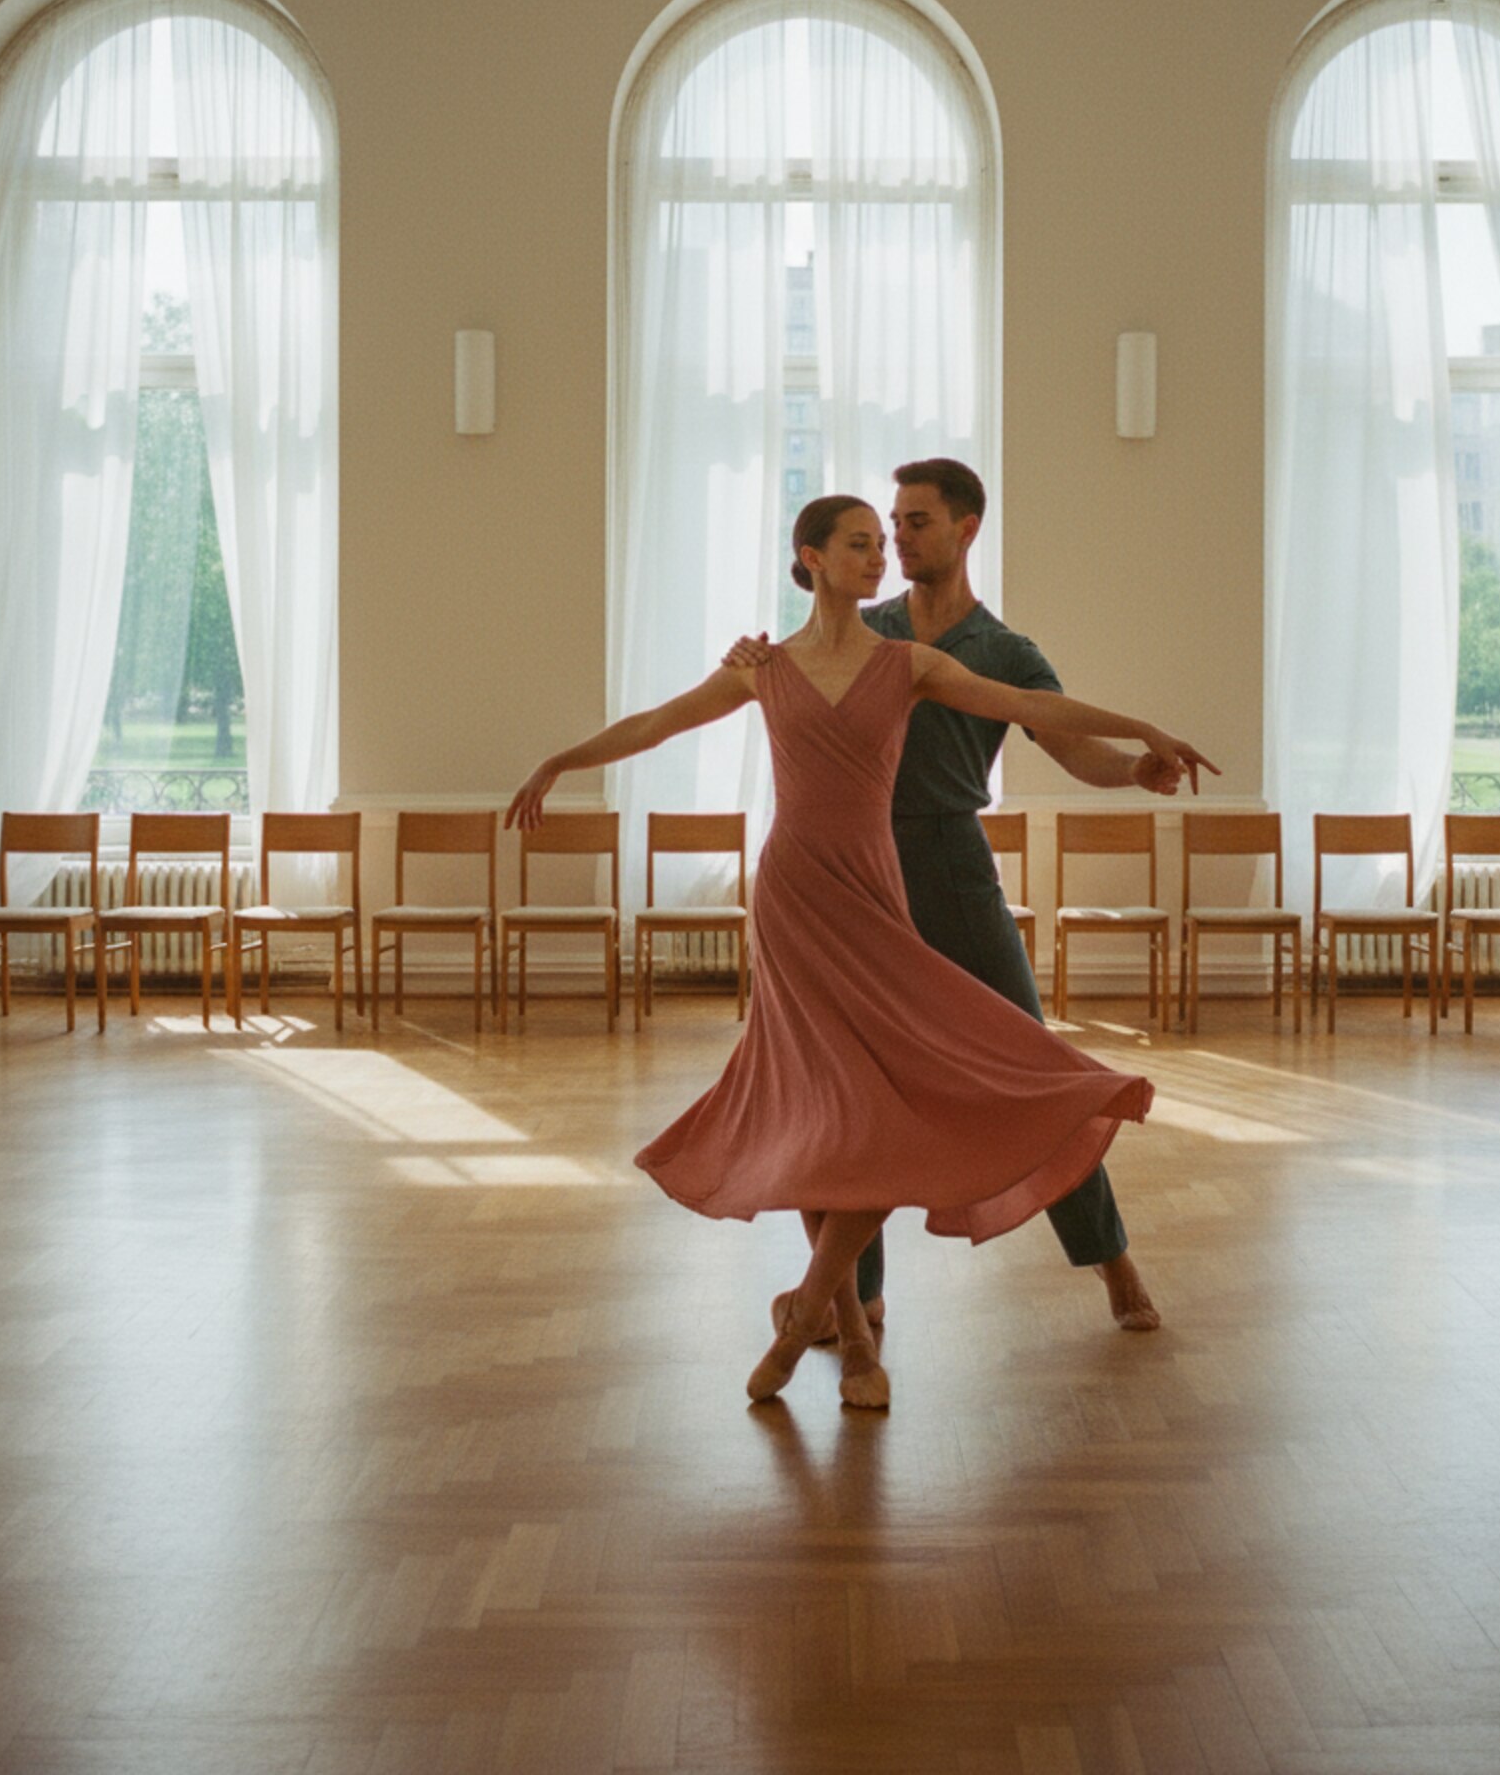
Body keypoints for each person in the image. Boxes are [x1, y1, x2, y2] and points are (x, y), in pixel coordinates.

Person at [506, 496, 1213, 1410]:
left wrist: (1142, 732)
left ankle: (810, 1317)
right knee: (817, 1104)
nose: (881, 555)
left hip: (886, 889)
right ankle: (854, 1331)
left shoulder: (914, 662)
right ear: (811, 557)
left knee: (905, 1097)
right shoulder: (766, 667)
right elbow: (659, 723)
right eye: (863, 542)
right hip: (796, 899)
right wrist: (557, 761)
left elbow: (1032, 706)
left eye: (891, 540)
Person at [727, 459, 1216, 1338]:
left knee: (1033, 1067)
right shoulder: (864, 627)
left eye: (915, 522)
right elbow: (784, 674)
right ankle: (859, 1299)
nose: (897, 538)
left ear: (965, 530)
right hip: (851, 875)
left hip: (952, 865)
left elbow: (1074, 752)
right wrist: (751, 657)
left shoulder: (1003, 652)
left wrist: (1134, 768)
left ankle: (1111, 1258)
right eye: (889, 524)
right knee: (851, 1089)